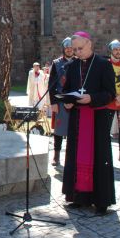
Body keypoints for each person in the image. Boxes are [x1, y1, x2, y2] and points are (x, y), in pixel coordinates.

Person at [61, 31, 116, 214]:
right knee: (75, 157)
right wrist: (67, 101)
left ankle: (101, 201)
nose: (77, 52)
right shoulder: (72, 66)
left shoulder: (103, 65)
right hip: (77, 119)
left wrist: (91, 97)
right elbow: (67, 89)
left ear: (89, 44)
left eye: (80, 48)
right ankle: (78, 197)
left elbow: (110, 94)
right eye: (75, 49)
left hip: (97, 120)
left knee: (98, 158)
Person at [48, 37, 74, 167]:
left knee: (73, 131)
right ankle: (56, 156)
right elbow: (52, 84)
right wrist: (53, 102)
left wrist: (75, 100)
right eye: (67, 47)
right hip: (59, 100)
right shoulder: (57, 63)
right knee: (59, 130)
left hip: (74, 101)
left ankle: (71, 157)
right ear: (63, 49)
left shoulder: (78, 62)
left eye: (71, 47)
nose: (69, 50)